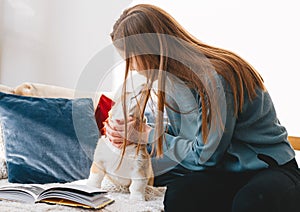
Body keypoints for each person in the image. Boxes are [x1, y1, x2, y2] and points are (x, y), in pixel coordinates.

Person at [105, 4, 300, 212]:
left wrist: (148, 135)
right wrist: (133, 132)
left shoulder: (216, 79)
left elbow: (205, 156)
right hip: (223, 171)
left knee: (252, 202)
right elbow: (184, 136)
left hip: (266, 168)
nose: (131, 66)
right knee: (180, 195)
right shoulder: (170, 82)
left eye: (129, 57)